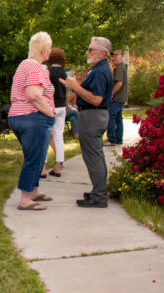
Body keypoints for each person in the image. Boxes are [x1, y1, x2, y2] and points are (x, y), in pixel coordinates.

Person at [60, 37, 113, 208]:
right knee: (95, 156)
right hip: (93, 116)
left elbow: (96, 99)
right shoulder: (98, 69)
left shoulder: (99, 71)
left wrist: (75, 87)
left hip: (92, 117)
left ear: (102, 53)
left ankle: (99, 196)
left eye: (91, 49)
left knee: (93, 157)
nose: (87, 52)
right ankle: (99, 191)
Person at [8, 32, 55, 211]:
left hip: (18, 117)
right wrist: (50, 112)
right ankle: (26, 199)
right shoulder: (35, 67)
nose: (50, 51)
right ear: (44, 50)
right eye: (49, 48)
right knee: (34, 159)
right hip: (33, 118)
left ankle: (33, 191)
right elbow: (33, 95)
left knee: (36, 156)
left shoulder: (24, 65)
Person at [42, 48, 67, 178]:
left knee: (45, 136)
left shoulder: (48, 71)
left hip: (50, 106)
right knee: (58, 136)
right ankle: (58, 167)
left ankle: (43, 168)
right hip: (62, 106)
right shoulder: (64, 72)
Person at [105, 50, 128, 146]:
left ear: (121, 56)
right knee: (118, 118)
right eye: (113, 56)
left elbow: (119, 83)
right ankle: (119, 139)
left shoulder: (119, 68)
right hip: (121, 98)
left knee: (111, 117)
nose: (113, 58)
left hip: (117, 98)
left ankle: (111, 139)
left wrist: (111, 94)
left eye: (115, 56)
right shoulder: (122, 67)